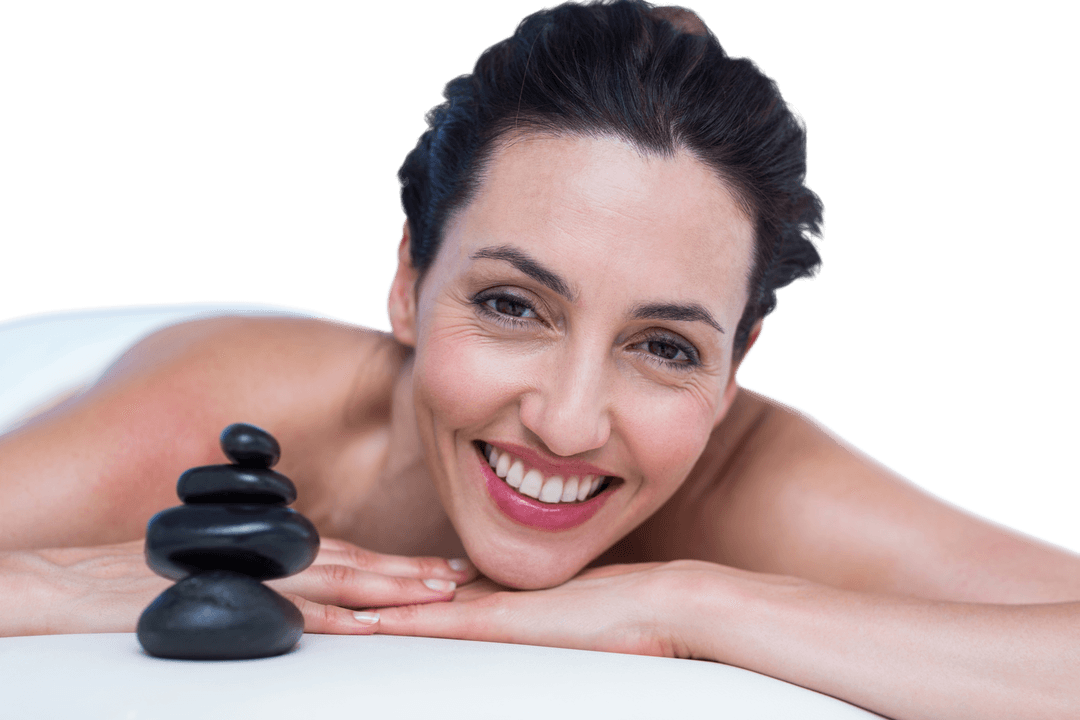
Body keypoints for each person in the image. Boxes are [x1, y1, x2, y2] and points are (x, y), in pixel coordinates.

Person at [0, 1, 1076, 717]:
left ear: (740, 358)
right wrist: (52, 580)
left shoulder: (755, 483)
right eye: (513, 305)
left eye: (664, 347)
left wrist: (690, 605)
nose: (567, 422)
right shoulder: (220, 413)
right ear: (409, 280)